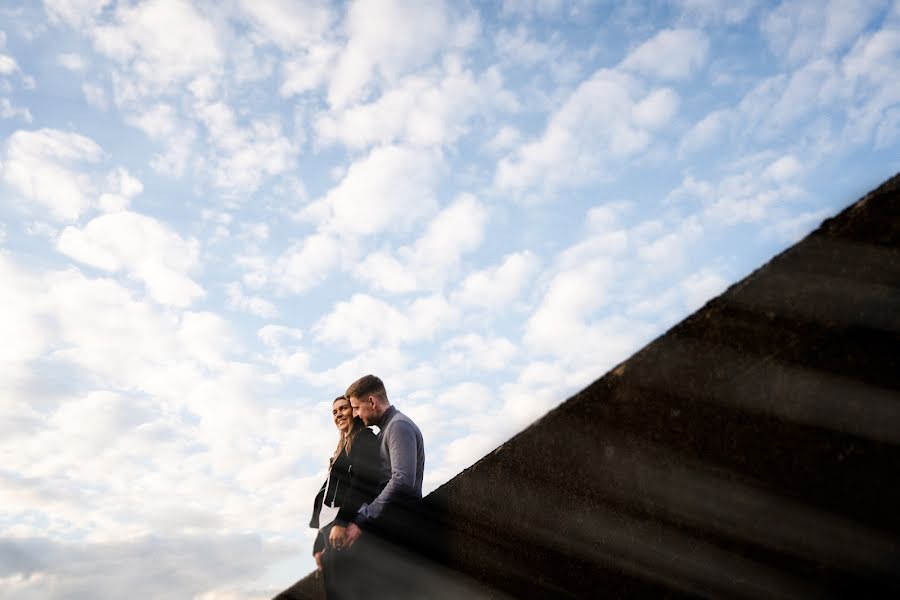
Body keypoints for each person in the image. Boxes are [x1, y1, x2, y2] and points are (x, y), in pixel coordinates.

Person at [335, 375, 425, 563]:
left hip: (402, 526)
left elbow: (402, 481)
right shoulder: (387, 430)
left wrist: (363, 518)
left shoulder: (398, 426)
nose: (356, 415)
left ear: (372, 402)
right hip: (393, 525)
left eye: (357, 408)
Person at [309, 395, 386, 598]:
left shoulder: (364, 438)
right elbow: (326, 498)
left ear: (354, 411)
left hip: (349, 526)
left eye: (343, 408)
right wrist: (319, 543)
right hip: (331, 531)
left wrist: (342, 522)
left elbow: (363, 481)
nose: (338, 414)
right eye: (334, 412)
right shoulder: (339, 450)